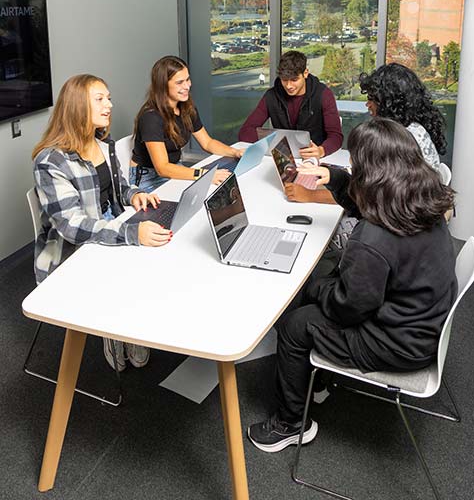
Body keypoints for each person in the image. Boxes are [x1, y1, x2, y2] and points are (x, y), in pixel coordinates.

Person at [247, 117, 456, 452]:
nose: (354, 169)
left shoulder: (374, 237)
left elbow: (348, 307)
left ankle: (290, 423)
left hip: (398, 344)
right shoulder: (419, 197)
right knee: (314, 293)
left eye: (356, 165)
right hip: (421, 322)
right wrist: (335, 177)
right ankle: (314, 379)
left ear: (371, 172)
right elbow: (367, 204)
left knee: (294, 323)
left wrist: (314, 288)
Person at [32, 74, 170, 371]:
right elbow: (72, 226)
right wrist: (131, 233)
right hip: (74, 251)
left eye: (108, 97)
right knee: (142, 250)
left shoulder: (102, 144)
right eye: (100, 99)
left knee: (162, 249)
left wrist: (136, 196)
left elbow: (120, 187)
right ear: (77, 106)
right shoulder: (51, 161)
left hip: (110, 225)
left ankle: (129, 321)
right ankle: (115, 324)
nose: (109, 104)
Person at [284, 61, 447, 207]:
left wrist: (309, 195)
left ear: (389, 103)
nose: (367, 104)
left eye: (372, 98)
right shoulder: (414, 129)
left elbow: (363, 196)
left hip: (397, 226)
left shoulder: (397, 142)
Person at [131, 55, 243, 193]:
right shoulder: (150, 117)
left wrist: (235, 152)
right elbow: (162, 168)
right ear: (163, 85)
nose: (187, 86)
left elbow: (207, 143)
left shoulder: (186, 108)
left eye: (188, 79)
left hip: (174, 167)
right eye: (179, 82)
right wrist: (204, 175)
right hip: (148, 177)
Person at [238, 50, 343, 160]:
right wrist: (269, 146)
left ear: (305, 73)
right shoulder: (271, 96)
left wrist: (321, 150)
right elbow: (245, 131)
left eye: (294, 80)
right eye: (284, 80)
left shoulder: (323, 94)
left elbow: (336, 136)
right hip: (283, 159)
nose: (289, 86)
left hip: (316, 160)